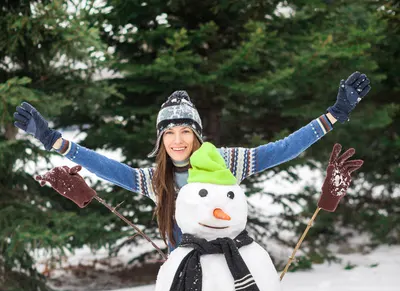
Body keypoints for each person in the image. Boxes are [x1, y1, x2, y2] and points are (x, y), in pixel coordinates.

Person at [14, 72, 370, 252]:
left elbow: (285, 148)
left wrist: (334, 115)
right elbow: (108, 167)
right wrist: (54, 141)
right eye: (169, 132)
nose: (178, 139)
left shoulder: (227, 162)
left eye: (186, 130)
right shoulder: (157, 180)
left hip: (233, 267)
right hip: (183, 274)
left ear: (197, 135)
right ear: (160, 139)